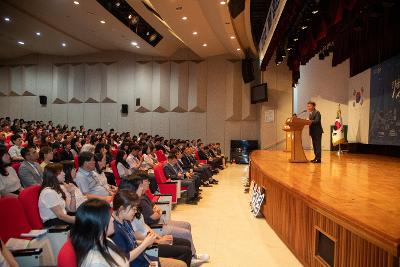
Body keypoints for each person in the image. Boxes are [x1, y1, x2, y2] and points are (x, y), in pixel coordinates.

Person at [136, 175, 209, 265]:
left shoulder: (144, 195)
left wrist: (157, 211)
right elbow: (154, 216)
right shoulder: (139, 201)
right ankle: (192, 257)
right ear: (140, 184)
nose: (149, 183)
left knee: (187, 225)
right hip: (157, 226)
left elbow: (155, 207)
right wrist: (157, 212)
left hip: (159, 223)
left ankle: (193, 255)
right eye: (147, 181)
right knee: (185, 233)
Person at [119, 178, 193, 267]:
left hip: (150, 240)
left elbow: (145, 226)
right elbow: (136, 237)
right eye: (140, 187)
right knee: (185, 251)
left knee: (185, 243)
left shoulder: (134, 207)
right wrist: (158, 241)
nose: (142, 188)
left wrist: (159, 238)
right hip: (148, 246)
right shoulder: (127, 216)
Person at [70, 199, 130, 267]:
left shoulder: (106, 240)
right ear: (99, 223)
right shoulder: (96, 263)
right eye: (109, 217)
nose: (113, 219)